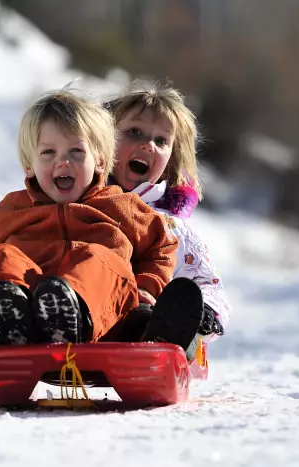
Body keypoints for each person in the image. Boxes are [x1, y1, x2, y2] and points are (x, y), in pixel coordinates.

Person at [0, 88, 203, 372]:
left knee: (98, 258)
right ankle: (4, 319)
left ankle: (88, 319)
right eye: (48, 152)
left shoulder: (122, 206)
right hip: (25, 308)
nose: (63, 161)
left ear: (101, 161)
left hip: (102, 318)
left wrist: (147, 287)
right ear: (29, 165)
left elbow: (160, 247)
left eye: (76, 151)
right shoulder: (12, 209)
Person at [103, 79, 231, 360]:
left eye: (161, 141)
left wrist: (205, 311)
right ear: (103, 138)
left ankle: (165, 338)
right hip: (94, 314)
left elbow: (208, 282)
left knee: (177, 307)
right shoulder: (82, 207)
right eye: (134, 132)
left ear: (170, 160)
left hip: (151, 320)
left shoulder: (172, 227)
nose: (148, 145)